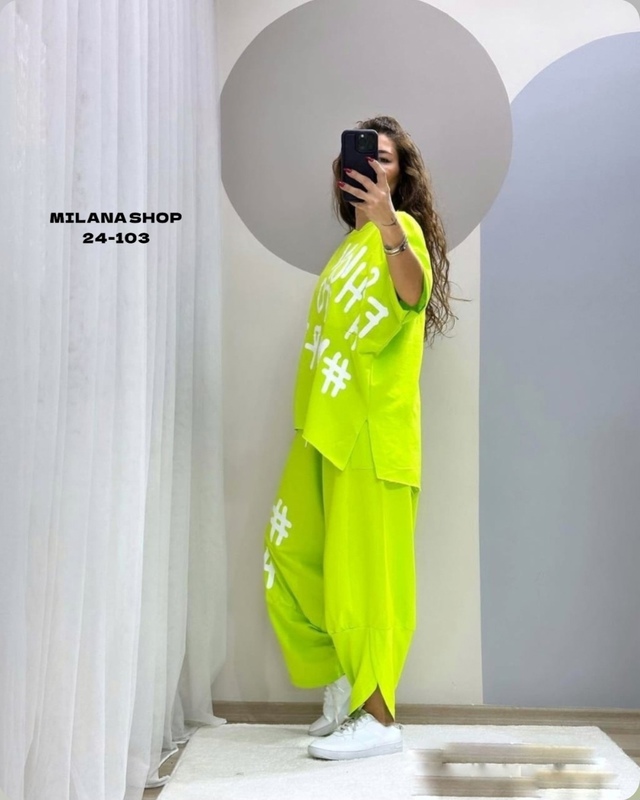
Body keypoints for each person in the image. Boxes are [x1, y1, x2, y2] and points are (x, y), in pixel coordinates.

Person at [263, 115, 455, 761]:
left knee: (368, 577)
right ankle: (345, 680)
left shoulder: (403, 233)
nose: (374, 166)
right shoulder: (347, 249)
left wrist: (389, 226)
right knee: (291, 554)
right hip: (325, 428)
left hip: (373, 434)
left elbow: (412, 295)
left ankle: (379, 716)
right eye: (363, 157)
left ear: (402, 175)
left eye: (387, 158)